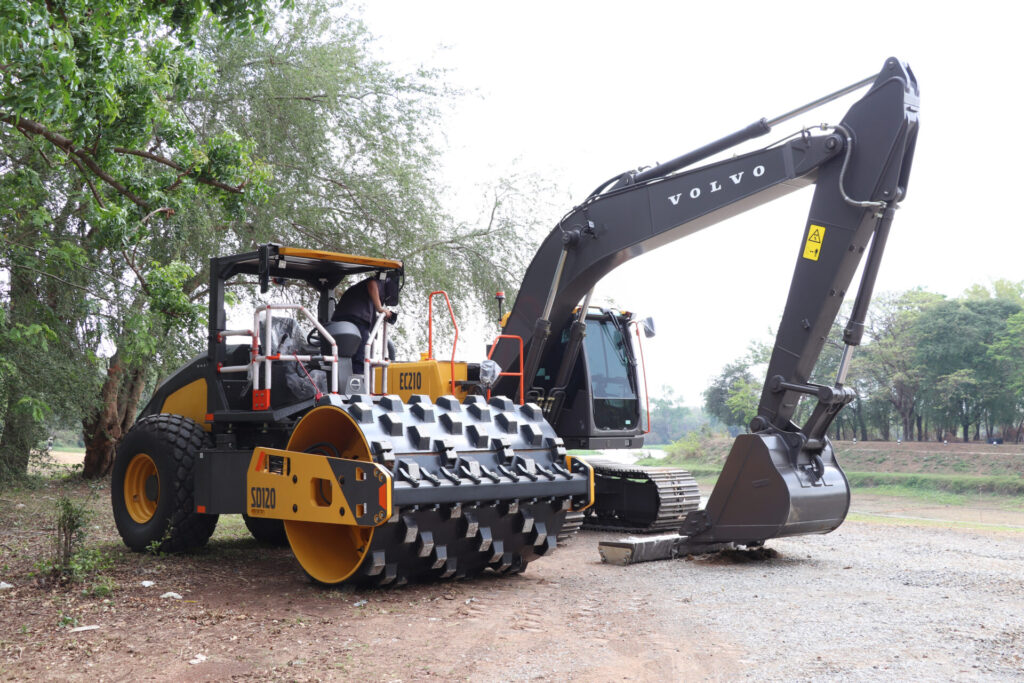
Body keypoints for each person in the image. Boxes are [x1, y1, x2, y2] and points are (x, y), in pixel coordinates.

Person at [331, 274, 395, 374]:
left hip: (339, 323)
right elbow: (372, 283)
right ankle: (359, 385)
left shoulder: (358, 290)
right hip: (355, 322)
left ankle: (351, 384)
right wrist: (380, 308)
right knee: (361, 359)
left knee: (346, 359)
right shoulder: (377, 282)